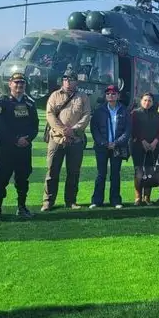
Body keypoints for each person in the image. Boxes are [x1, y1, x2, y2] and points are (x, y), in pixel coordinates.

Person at [0, 72, 39, 220]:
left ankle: (22, 207)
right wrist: (16, 140)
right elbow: (1, 127)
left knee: (23, 179)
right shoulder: (2, 103)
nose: (19, 85)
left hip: (24, 149)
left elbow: (34, 126)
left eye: (22, 83)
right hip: (6, 149)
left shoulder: (30, 103)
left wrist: (28, 139)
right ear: (10, 84)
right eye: (16, 82)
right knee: (1, 179)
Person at [43, 65, 92, 210]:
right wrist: (63, 130)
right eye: (65, 79)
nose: (68, 82)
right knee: (52, 171)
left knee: (73, 172)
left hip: (76, 139)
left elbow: (86, 115)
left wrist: (74, 130)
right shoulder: (54, 95)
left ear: (76, 81)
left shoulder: (83, 97)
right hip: (57, 138)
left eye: (71, 79)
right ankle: (48, 202)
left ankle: (71, 201)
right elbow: (50, 115)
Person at [90, 85, 132, 208]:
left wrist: (116, 143)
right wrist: (104, 143)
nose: (110, 96)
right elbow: (94, 129)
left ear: (118, 96)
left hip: (117, 147)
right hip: (102, 147)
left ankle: (115, 200)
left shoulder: (124, 110)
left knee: (115, 174)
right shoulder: (99, 110)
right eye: (108, 94)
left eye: (113, 94)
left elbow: (127, 130)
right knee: (101, 174)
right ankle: (97, 201)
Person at [130, 92, 159, 205]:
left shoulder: (157, 115)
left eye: (149, 101)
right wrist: (142, 140)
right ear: (141, 101)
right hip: (138, 146)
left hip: (153, 147)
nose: (147, 102)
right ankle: (138, 197)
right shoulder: (135, 113)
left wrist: (155, 142)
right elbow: (133, 129)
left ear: (152, 102)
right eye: (145, 100)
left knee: (150, 172)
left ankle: (147, 197)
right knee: (139, 172)